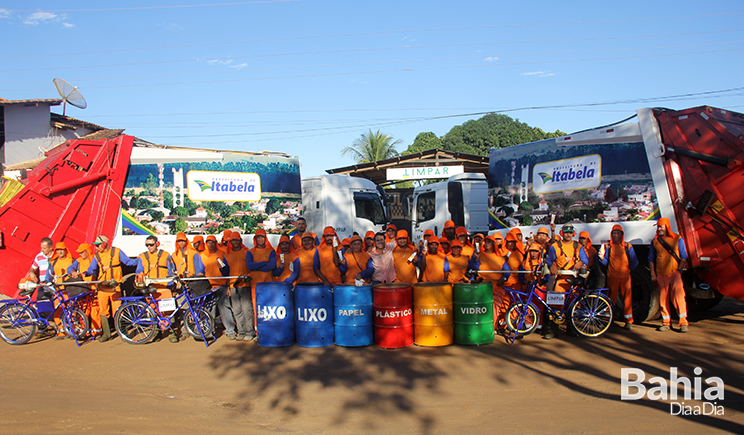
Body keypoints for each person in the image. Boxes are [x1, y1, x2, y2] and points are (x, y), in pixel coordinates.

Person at [83, 235, 137, 342]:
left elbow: (128, 262)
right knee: (103, 311)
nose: (97, 248)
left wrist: (140, 260)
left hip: (115, 286)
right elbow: (91, 269)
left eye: (98, 245)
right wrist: (85, 273)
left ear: (104, 244)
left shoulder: (116, 252)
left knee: (118, 311)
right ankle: (106, 334)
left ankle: (122, 332)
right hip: (102, 287)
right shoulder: (97, 256)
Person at [135, 235, 180, 343]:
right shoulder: (142, 257)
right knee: (153, 312)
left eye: (151, 244)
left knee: (169, 312)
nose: (149, 247)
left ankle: (172, 333)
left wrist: (170, 287)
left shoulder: (166, 256)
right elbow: (139, 271)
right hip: (150, 290)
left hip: (164, 289)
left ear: (157, 244)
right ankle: (157, 333)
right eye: (147, 245)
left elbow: (171, 272)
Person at [649, 217, 689, 333]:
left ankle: (683, 323)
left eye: (661, 226)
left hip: (675, 274)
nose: (659, 229)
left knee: (679, 299)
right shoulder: (655, 241)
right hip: (661, 275)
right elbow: (651, 259)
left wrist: (679, 271)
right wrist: (653, 273)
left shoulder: (677, 239)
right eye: (658, 227)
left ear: (667, 226)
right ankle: (666, 323)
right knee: (662, 300)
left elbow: (683, 256)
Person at [597, 224, 639, 330]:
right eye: (614, 233)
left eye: (618, 233)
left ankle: (629, 321)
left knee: (627, 299)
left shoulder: (627, 246)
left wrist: (627, 271)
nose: (616, 235)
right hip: (612, 277)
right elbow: (607, 263)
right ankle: (607, 321)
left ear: (622, 234)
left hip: (625, 278)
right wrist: (602, 258)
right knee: (611, 300)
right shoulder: (608, 247)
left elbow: (634, 262)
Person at [471, 236, 510, 332]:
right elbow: (474, 268)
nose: (487, 243)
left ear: (493, 244)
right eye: (486, 241)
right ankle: (481, 327)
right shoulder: (480, 255)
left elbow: (507, 272)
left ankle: (492, 328)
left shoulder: (500, 258)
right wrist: (476, 259)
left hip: (497, 286)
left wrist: (504, 278)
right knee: (482, 307)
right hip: (483, 286)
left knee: (495, 308)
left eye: (489, 242)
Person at [225, 232, 256, 341]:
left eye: (237, 240)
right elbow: (226, 272)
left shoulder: (246, 252)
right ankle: (241, 331)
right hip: (233, 286)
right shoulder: (227, 255)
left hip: (245, 284)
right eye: (233, 240)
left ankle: (250, 331)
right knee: (237, 310)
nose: (235, 242)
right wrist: (228, 286)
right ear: (230, 242)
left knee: (247, 309)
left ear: (240, 241)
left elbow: (251, 268)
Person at [200, 235, 232, 338]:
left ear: (216, 243)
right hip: (209, 287)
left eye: (213, 242)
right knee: (210, 310)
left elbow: (227, 271)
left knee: (225, 308)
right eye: (209, 242)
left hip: (222, 285)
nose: (211, 244)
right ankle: (210, 331)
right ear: (206, 243)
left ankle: (230, 331)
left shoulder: (222, 255)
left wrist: (227, 285)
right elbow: (200, 271)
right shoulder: (202, 256)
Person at [68, 243, 101, 337]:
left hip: (93, 288)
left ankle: (96, 331)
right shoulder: (78, 261)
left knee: (95, 310)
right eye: (79, 253)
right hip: (82, 289)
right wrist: (72, 272)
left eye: (82, 252)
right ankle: (84, 331)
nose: (80, 254)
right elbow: (69, 268)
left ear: (87, 251)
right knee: (83, 310)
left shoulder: (94, 259)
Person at [46, 242, 75, 340]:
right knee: (58, 310)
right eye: (57, 250)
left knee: (71, 310)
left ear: (65, 250)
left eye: (61, 249)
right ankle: (61, 331)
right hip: (58, 291)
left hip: (69, 290)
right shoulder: (53, 262)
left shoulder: (71, 261)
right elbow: (48, 276)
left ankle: (73, 330)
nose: (59, 252)